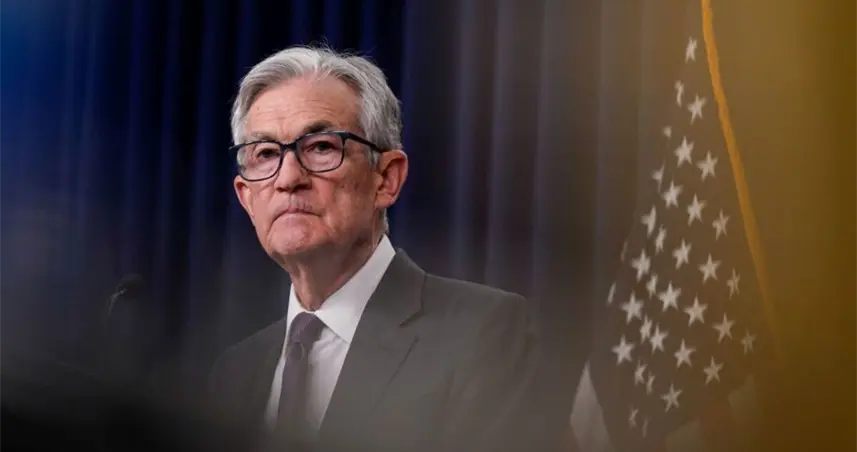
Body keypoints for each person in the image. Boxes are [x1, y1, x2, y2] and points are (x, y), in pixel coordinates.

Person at [208, 45, 545, 452]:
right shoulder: (235, 374)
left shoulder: (483, 333)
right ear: (246, 198)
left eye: (321, 147)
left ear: (386, 179)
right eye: (265, 154)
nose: (288, 178)